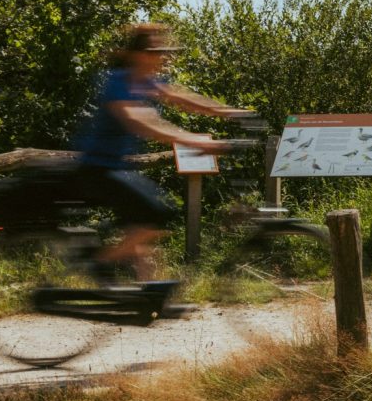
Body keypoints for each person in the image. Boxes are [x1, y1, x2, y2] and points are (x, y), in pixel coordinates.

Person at [67, 22, 250, 282]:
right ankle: (100, 262)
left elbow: (182, 98)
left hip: (117, 168)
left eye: (164, 51)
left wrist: (226, 111)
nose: (162, 57)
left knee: (143, 227)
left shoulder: (147, 81)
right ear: (138, 54)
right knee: (159, 211)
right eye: (156, 52)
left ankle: (150, 299)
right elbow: (139, 121)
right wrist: (194, 141)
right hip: (97, 168)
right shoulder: (118, 81)